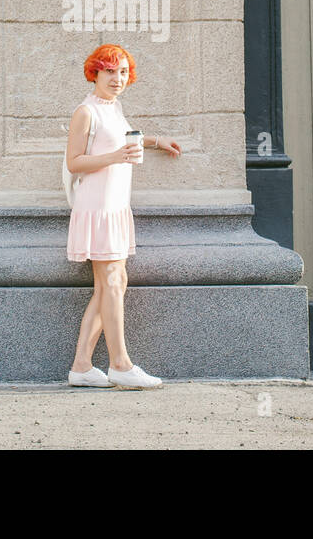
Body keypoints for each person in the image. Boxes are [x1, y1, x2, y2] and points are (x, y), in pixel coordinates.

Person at [64, 43, 181, 389]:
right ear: (95, 73)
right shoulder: (85, 112)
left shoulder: (113, 107)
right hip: (97, 207)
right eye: (110, 71)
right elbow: (74, 162)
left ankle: (82, 367)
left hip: (114, 205)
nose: (117, 78)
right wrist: (115, 156)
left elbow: (126, 139)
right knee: (112, 282)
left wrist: (156, 140)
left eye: (123, 72)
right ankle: (120, 364)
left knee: (113, 284)